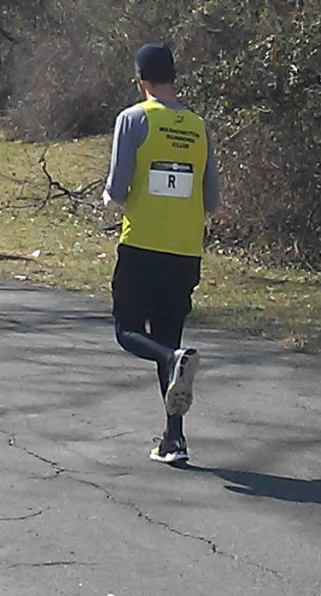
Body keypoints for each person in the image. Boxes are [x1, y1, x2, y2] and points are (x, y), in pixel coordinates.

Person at [102, 43, 219, 466]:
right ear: (173, 77)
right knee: (168, 335)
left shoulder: (134, 119)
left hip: (142, 245)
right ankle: (174, 439)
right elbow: (212, 198)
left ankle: (173, 359)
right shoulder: (198, 125)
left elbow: (117, 189)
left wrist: (108, 204)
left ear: (141, 81)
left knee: (129, 331)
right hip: (186, 250)